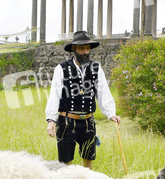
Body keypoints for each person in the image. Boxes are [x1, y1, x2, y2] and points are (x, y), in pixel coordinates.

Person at [45, 31, 120, 169]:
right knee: (66, 164)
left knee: (88, 162)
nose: (85, 52)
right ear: (74, 49)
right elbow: (54, 95)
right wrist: (51, 120)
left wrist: (111, 114)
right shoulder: (61, 69)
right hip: (66, 122)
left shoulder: (96, 68)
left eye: (87, 48)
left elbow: (103, 92)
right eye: (82, 48)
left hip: (87, 123)